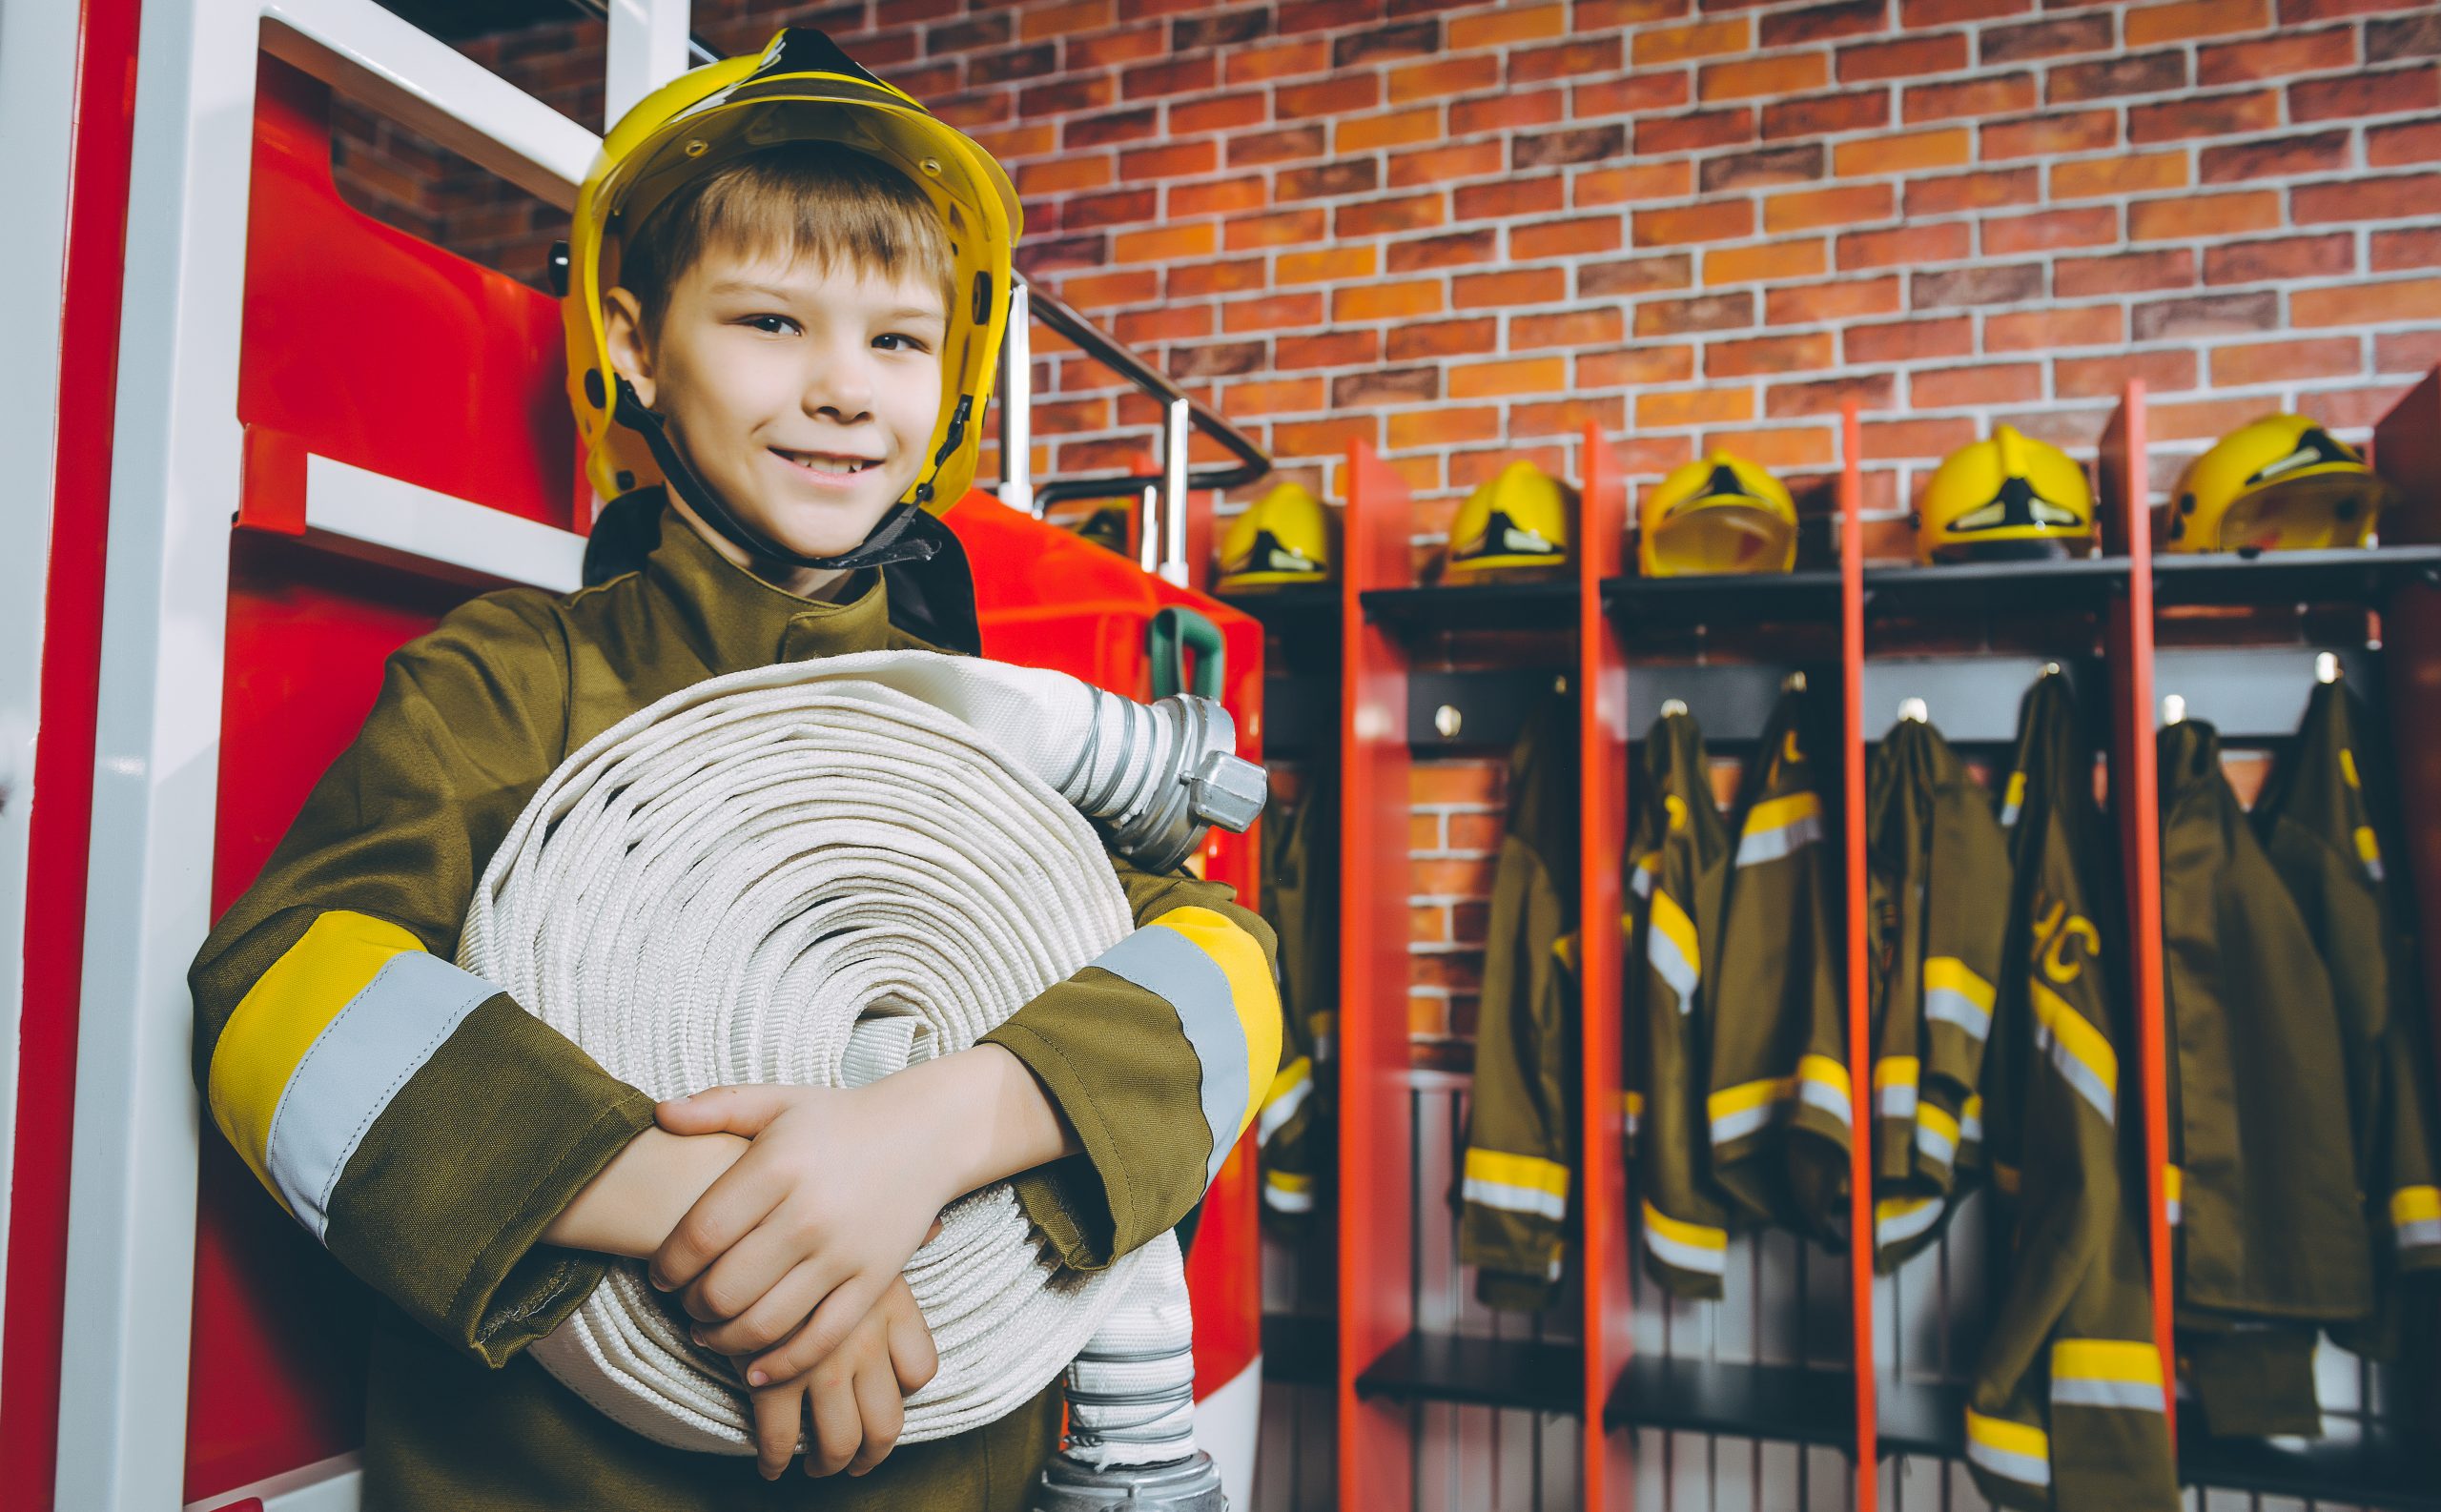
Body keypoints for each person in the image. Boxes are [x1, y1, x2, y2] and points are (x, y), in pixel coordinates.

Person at [186, 30, 1279, 1510]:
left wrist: (930, 1132)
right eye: (772, 321)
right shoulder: (514, 680)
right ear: (635, 342)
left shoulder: (1005, 736)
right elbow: (281, 989)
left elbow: (1230, 973)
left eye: (897, 342)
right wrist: (725, 1214)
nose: (844, 391)